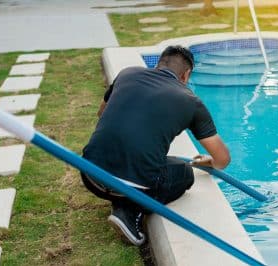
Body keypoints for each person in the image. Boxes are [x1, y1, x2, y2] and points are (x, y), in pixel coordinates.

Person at [81, 45, 230, 246]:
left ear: (159, 64)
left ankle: (123, 196)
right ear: (186, 75)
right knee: (184, 172)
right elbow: (222, 160)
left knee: (163, 161)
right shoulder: (190, 100)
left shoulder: (127, 73)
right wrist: (210, 162)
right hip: (132, 185)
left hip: (91, 175)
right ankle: (129, 211)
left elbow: (101, 113)